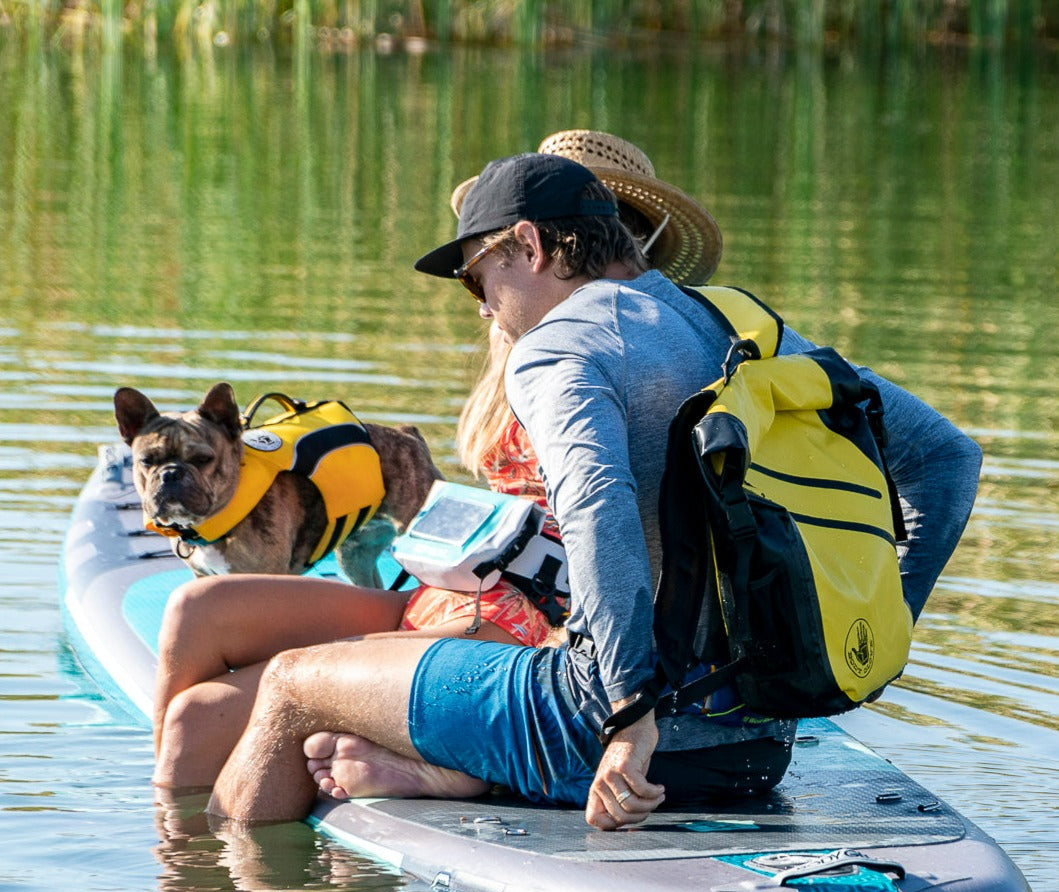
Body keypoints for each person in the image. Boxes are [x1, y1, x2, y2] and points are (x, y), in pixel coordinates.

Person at [205, 151, 981, 830]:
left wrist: (629, 714)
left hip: (600, 733)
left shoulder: (555, 348)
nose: (481, 304)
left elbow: (596, 507)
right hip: (755, 749)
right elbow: (948, 460)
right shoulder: (735, 325)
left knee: (290, 684)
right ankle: (457, 773)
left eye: (478, 275)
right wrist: (867, 634)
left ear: (530, 246)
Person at [153, 129, 717, 793]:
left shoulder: (609, 356)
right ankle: (178, 842)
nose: (480, 293)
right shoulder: (527, 343)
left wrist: (627, 706)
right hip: (469, 587)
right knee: (198, 611)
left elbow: (605, 525)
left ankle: (414, 773)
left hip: (535, 623)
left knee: (207, 714)